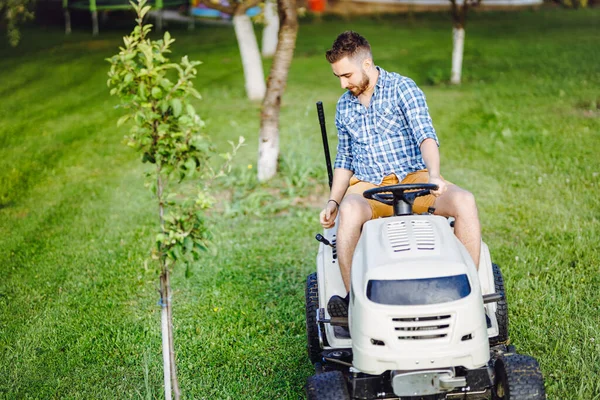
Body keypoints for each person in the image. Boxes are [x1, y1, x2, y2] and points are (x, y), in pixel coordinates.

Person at [320, 31, 481, 318]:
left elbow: (426, 136)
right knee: (348, 211)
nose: (344, 84)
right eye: (339, 78)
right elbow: (344, 159)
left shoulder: (402, 88)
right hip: (369, 185)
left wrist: (435, 175)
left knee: (465, 202)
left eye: (347, 75)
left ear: (366, 64)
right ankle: (354, 302)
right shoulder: (345, 105)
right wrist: (333, 201)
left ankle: (470, 297)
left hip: (413, 179)